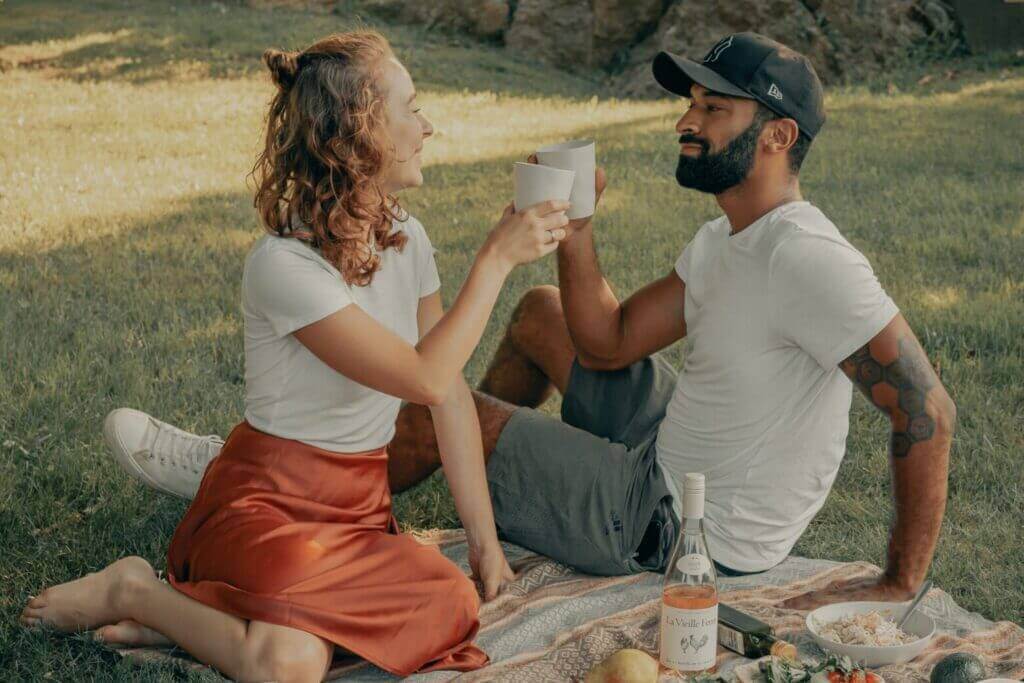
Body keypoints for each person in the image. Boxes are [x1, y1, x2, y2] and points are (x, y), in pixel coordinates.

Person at [100, 34, 955, 609]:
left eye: (712, 111)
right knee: (542, 313)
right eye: (691, 104)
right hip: (677, 445)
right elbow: (606, 338)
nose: (686, 123)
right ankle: (448, 441)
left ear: (777, 137)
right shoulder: (731, 239)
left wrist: (898, 580)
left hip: (676, 520)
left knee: (435, 403)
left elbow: (926, 410)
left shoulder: (807, 257)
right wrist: (575, 230)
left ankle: (268, 480)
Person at [20, 31, 574, 680]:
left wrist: (485, 549)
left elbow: (448, 391)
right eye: (411, 108)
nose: (428, 126)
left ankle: (198, 620)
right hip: (269, 505)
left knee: (453, 598)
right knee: (289, 668)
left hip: (360, 513)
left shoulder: (407, 238)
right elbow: (425, 376)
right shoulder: (284, 265)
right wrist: (498, 258)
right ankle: (136, 590)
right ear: (355, 136)